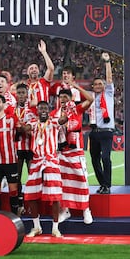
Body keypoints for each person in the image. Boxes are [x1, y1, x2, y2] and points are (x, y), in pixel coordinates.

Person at [24, 101, 68, 238]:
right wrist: (21, 124)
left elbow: (63, 119)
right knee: (31, 194)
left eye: (45, 108)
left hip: (51, 160)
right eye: (40, 108)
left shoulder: (54, 122)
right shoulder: (32, 123)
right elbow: (24, 128)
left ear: (49, 110)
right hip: (36, 160)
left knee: (54, 195)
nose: (43, 110)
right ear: (37, 111)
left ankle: (55, 228)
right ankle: (37, 227)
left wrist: (65, 112)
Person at [55, 84, 94, 225]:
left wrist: (76, 86)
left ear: (71, 98)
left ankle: (86, 209)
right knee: (62, 183)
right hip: (61, 152)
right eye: (61, 97)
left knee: (82, 180)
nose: (63, 99)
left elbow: (90, 99)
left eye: (66, 97)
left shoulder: (77, 110)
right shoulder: (55, 113)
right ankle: (65, 210)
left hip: (76, 150)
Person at [0, 94, 21, 215]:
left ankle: (15, 217)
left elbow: (20, 131)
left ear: (4, 104)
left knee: (13, 190)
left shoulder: (12, 119)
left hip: (11, 161)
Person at [88, 52, 115, 194]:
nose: (98, 85)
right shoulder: (90, 98)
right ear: (92, 86)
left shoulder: (108, 94)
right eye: (96, 84)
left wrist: (107, 62)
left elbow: (109, 78)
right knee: (94, 160)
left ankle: (108, 185)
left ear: (104, 85)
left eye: (100, 83)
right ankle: (102, 184)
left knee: (105, 157)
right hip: (94, 132)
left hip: (106, 131)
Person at [14, 83, 37, 214]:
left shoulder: (32, 110)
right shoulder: (11, 109)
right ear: (16, 95)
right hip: (17, 147)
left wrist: (21, 127)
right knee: (16, 177)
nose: (21, 95)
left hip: (29, 147)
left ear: (27, 95)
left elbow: (31, 129)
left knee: (31, 176)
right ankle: (20, 203)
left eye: (23, 93)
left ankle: (32, 205)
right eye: (19, 93)